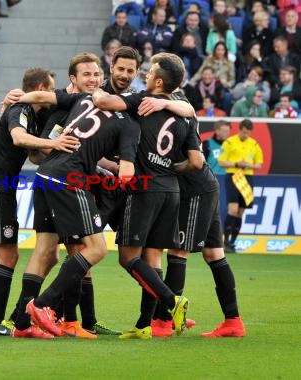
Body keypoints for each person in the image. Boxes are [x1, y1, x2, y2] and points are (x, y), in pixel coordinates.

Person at [7, 64, 141, 339]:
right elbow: (127, 172)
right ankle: (42, 306)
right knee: (96, 248)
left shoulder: (82, 99)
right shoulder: (129, 123)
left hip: (46, 175)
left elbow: (42, 97)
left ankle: (22, 325)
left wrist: (17, 98)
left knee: (47, 251)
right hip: (70, 178)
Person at [0, 67, 80, 336]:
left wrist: (55, 149)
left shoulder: (28, 112)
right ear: (41, 88)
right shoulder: (19, 108)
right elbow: (18, 138)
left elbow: (33, 155)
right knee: (9, 254)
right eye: (51, 87)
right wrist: (54, 145)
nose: (54, 93)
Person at [92, 53, 201, 339]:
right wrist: (167, 168)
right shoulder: (184, 113)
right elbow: (196, 161)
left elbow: (103, 101)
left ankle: (172, 301)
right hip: (171, 190)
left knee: (128, 258)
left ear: (159, 81)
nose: (145, 76)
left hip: (144, 189)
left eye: (150, 72)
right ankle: (144, 325)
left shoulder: (142, 100)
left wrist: (89, 85)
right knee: (153, 258)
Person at [150, 87, 246, 339]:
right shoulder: (177, 111)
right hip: (205, 186)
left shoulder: (177, 112)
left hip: (195, 189)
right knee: (214, 254)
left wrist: (170, 169)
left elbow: (195, 161)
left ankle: (163, 321)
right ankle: (233, 321)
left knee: (178, 251)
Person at [217, 119, 264, 253]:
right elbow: (221, 162)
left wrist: (249, 165)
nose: (246, 135)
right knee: (233, 209)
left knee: (240, 212)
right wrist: (237, 164)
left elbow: (259, 164)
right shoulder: (230, 142)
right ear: (239, 129)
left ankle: (232, 243)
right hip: (233, 176)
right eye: (244, 132)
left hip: (247, 178)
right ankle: (225, 242)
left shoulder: (254, 144)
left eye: (248, 133)